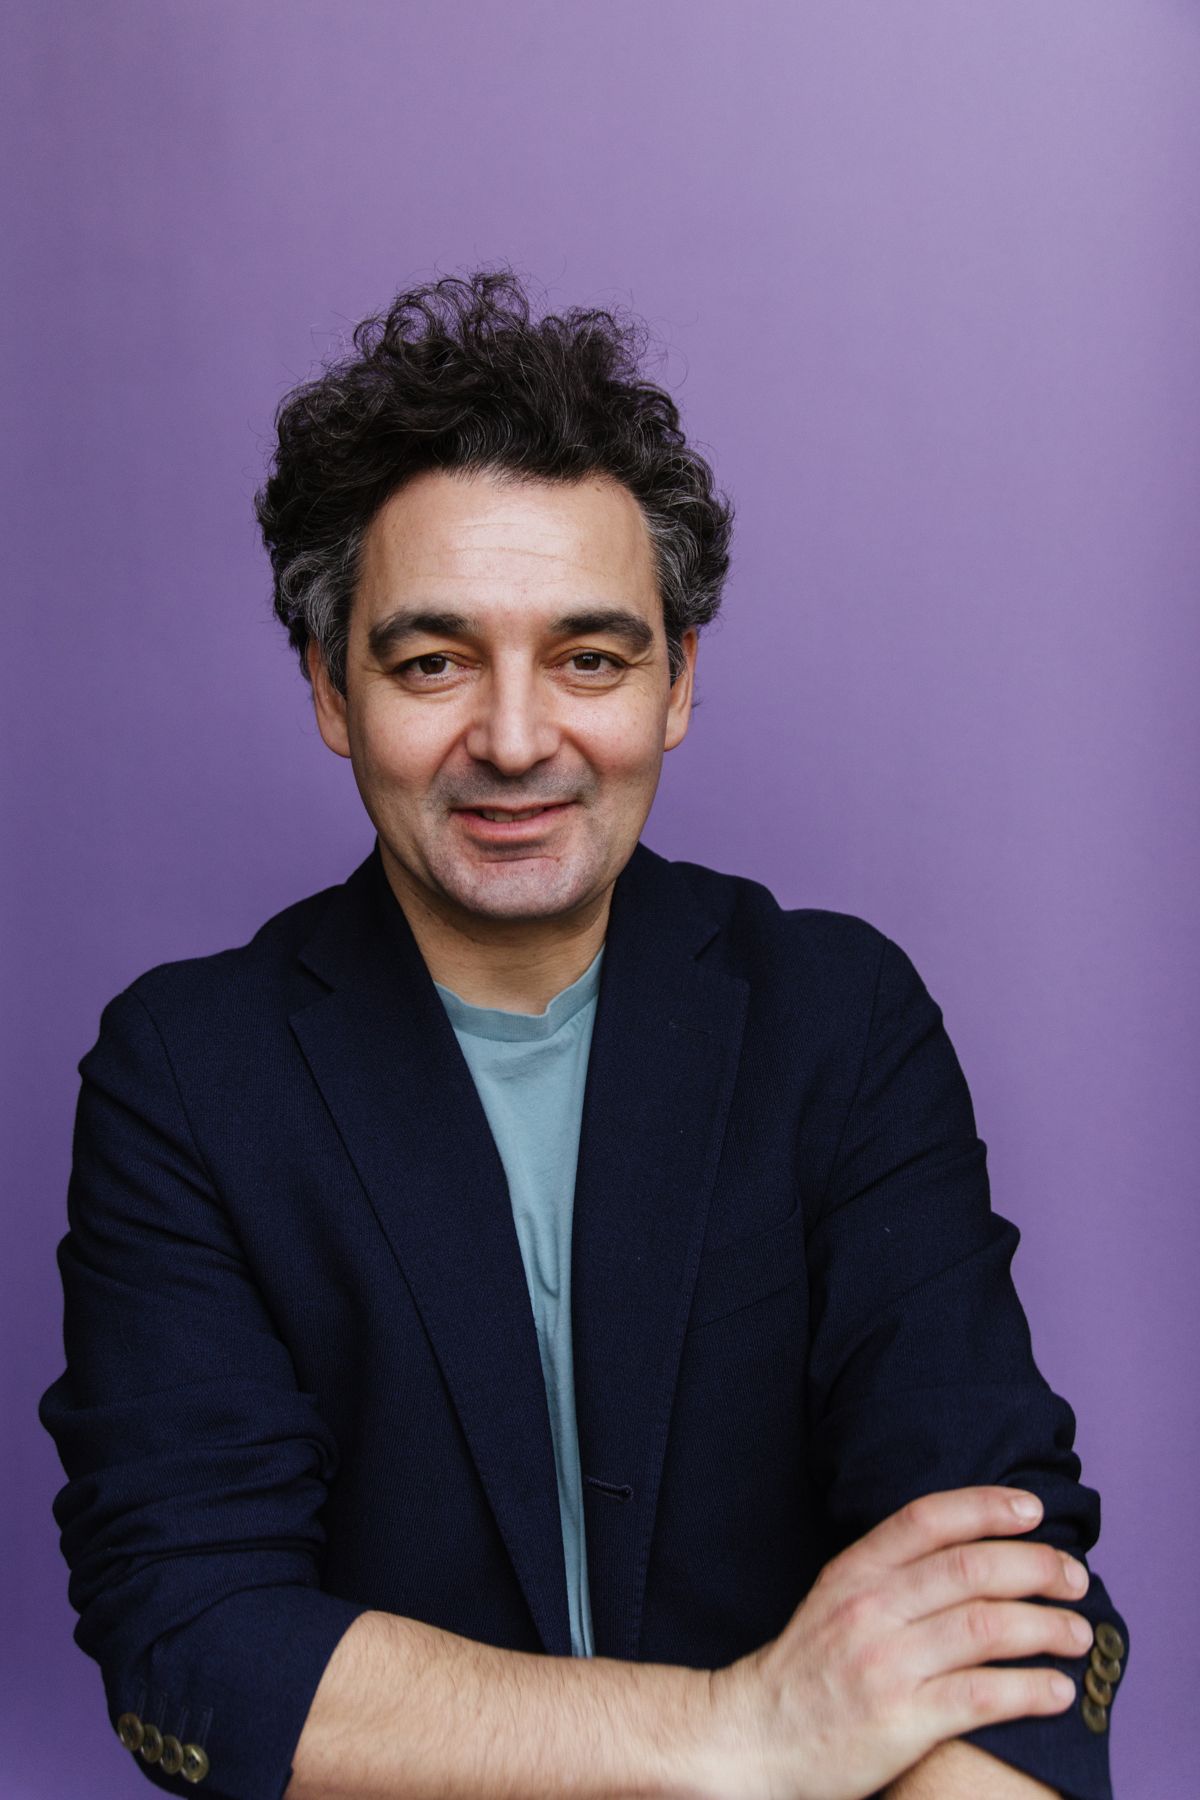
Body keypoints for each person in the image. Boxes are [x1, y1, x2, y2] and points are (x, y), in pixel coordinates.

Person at [39, 269, 1128, 1800]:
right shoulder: (185, 1074)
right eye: (432, 661)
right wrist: (742, 1730)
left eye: (591, 658)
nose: (514, 738)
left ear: (678, 683)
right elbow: (196, 1641)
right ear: (332, 690)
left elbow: (997, 1571)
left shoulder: (840, 1019)